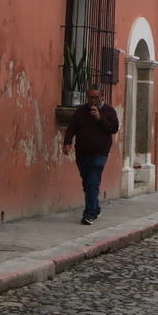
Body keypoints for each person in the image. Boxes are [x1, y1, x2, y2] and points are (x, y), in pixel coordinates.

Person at [63, 87, 119, 225]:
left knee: (93, 181)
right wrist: (67, 142)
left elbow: (114, 128)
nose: (93, 100)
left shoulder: (109, 111)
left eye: (96, 97)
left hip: (100, 153)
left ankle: (89, 214)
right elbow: (72, 128)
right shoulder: (80, 111)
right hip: (82, 153)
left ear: (102, 97)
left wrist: (100, 119)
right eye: (90, 97)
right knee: (87, 183)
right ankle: (96, 208)